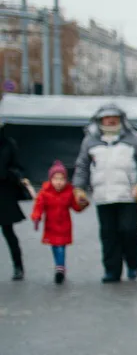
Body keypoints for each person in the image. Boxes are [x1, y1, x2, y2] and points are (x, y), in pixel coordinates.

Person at [71, 104, 137, 283]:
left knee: (129, 231)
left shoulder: (135, 138)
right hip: (103, 197)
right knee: (108, 235)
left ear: (121, 119)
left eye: (114, 117)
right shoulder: (90, 141)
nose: (110, 121)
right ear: (100, 120)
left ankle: (133, 263)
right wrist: (79, 189)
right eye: (106, 118)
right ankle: (112, 270)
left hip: (128, 195)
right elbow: (82, 166)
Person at [31, 161, 87, 284]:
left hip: (64, 225)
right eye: (56, 179)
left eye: (62, 179)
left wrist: (82, 203)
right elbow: (38, 207)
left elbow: (76, 207)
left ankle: (60, 268)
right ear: (50, 179)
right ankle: (59, 266)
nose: (59, 182)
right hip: (51, 226)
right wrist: (36, 217)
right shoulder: (45, 192)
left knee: (61, 247)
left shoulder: (69, 192)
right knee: (55, 247)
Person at [0, 121, 32, 280]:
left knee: (8, 232)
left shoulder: (8, 144)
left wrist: (10, 174)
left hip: (3, 192)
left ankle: (18, 266)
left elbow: (18, 167)